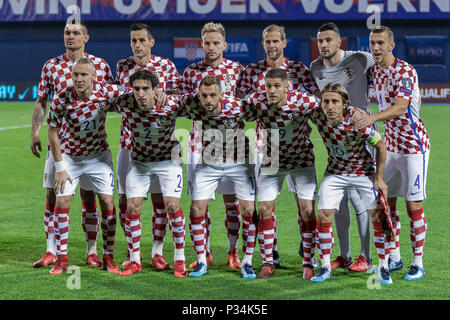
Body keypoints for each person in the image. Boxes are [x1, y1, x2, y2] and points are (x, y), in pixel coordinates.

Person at [31, 21, 114, 269]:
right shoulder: (51, 66)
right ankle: (51, 251)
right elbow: (42, 100)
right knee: (52, 194)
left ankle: (92, 252)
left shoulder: (100, 65)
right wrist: (35, 131)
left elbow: (111, 97)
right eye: (67, 32)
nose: (71, 36)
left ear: (86, 37)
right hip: (61, 148)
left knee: (90, 197)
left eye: (76, 33)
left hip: (92, 148)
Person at [236, 24, 320, 268]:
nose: (271, 45)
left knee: (303, 206)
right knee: (266, 207)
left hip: (298, 146)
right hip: (267, 147)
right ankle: (270, 253)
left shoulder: (298, 69)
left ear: (284, 42)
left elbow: (317, 99)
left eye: (275, 41)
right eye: (267, 41)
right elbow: (239, 105)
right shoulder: (251, 71)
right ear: (262, 44)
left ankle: (308, 250)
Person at [351, 25, 429, 281]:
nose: (375, 48)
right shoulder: (373, 70)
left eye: (380, 43)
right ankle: (394, 257)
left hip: (413, 148)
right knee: (387, 204)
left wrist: (370, 117)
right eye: (372, 43)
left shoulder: (405, 71)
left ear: (391, 45)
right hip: (390, 148)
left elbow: (400, 108)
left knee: (413, 205)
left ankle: (418, 263)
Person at [46, 57, 128, 275]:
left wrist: (158, 93)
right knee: (62, 201)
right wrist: (60, 167)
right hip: (71, 157)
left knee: (107, 202)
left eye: (84, 75)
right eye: (75, 75)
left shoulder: (106, 92)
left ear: (94, 76)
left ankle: (108, 257)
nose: (79, 79)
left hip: (98, 157)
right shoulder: (62, 99)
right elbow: (53, 132)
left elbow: (133, 91)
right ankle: (61, 259)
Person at [309, 83, 393, 285]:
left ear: (345, 104)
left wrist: (379, 178)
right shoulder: (318, 115)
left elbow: (381, 146)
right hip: (335, 173)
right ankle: (325, 266)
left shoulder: (357, 121)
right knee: (323, 214)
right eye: (326, 101)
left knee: (378, 216)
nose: (329, 106)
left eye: (335, 101)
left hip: (362, 173)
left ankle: (383, 267)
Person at [309, 22, 375, 272]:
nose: (323, 45)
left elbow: (382, 63)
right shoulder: (315, 67)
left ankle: (365, 256)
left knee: (360, 199)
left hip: (362, 134)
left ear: (339, 42)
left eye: (328, 40)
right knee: (340, 203)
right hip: (337, 135)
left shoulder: (360, 58)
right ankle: (345, 254)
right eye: (320, 41)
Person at [109, 69, 188, 277]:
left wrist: (171, 93)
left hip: (168, 161)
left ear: (155, 89)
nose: (141, 94)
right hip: (140, 162)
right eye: (137, 89)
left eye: (146, 89)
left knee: (171, 205)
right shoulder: (125, 102)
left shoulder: (170, 104)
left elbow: (194, 102)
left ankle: (179, 258)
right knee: (132, 206)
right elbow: (102, 95)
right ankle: (135, 260)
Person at [179, 22, 244, 270]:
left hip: (232, 147)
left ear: (224, 44)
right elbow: (182, 106)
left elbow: (246, 105)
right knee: (200, 204)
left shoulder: (237, 70)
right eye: (207, 43)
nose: (212, 47)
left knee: (232, 203)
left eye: (216, 42)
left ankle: (232, 251)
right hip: (198, 147)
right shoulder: (191, 73)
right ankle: (203, 252)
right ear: (201, 44)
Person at [178, 75, 258, 279]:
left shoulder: (238, 106)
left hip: (239, 163)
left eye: (213, 95)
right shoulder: (191, 104)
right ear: (198, 95)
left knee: (248, 210)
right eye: (204, 96)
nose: (208, 100)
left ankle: (247, 262)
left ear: (222, 94)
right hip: (209, 163)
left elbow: (262, 111)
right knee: (196, 208)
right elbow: (170, 100)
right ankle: (202, 261)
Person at [115, 23, 180, 269]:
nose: (138, 45)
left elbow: (176, 98)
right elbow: (117, 96)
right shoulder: (122, 66)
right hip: (128, 141)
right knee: (125, 199)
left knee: (159, 200)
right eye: (134, 40)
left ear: (151, 42)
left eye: (142, 40)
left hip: (160, 144)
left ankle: (157, 251)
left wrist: (166, 95)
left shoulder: (166, 66)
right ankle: (133, 252)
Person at [247, 69, 319, 280]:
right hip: (272, 161)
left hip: (301, 160)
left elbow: (328, 110)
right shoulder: (256, 101)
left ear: (287, 87)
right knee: (264, 208)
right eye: (268, 86)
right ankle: (268, 261)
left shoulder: (305, 101)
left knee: (307, 211)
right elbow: (233, 108)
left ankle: (308, 262)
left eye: (277, 86)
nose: (271, 90)